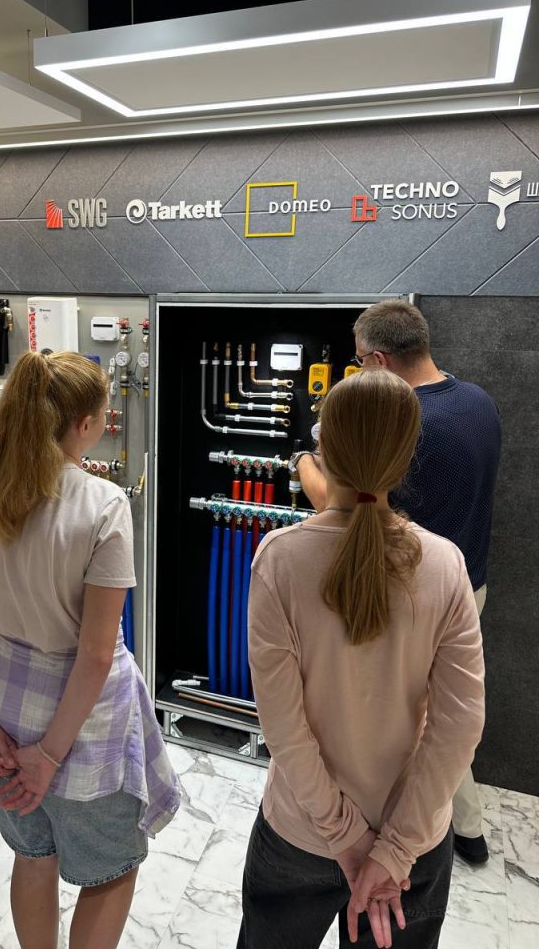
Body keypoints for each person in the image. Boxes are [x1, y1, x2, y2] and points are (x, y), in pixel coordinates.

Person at [0, 350, 180, 949]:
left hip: (6, 708)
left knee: (33, 855)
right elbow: (95, 655)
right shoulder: (102, 505)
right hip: (82, 723)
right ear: (85, 424)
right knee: (111, 870)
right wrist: (49, 754)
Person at [238, 368, 485, 949]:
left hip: (301, 834)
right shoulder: (444, 565)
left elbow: (282, 725)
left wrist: (345, 837)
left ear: (323, 447)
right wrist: (392, 849)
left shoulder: (280, 559)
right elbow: (459, 725)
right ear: (406, 454)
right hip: (413, 844)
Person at [294, 299, 500, 865]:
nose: (359, 370)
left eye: (361, 362)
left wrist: (305, 461)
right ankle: (468, 829)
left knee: (406, 718)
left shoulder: (407, 422)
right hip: (466, 582)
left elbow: (344, 504)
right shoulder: (479, 402)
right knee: (444, 708)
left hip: (407, 588)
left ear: (380, 360)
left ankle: (386, 828)